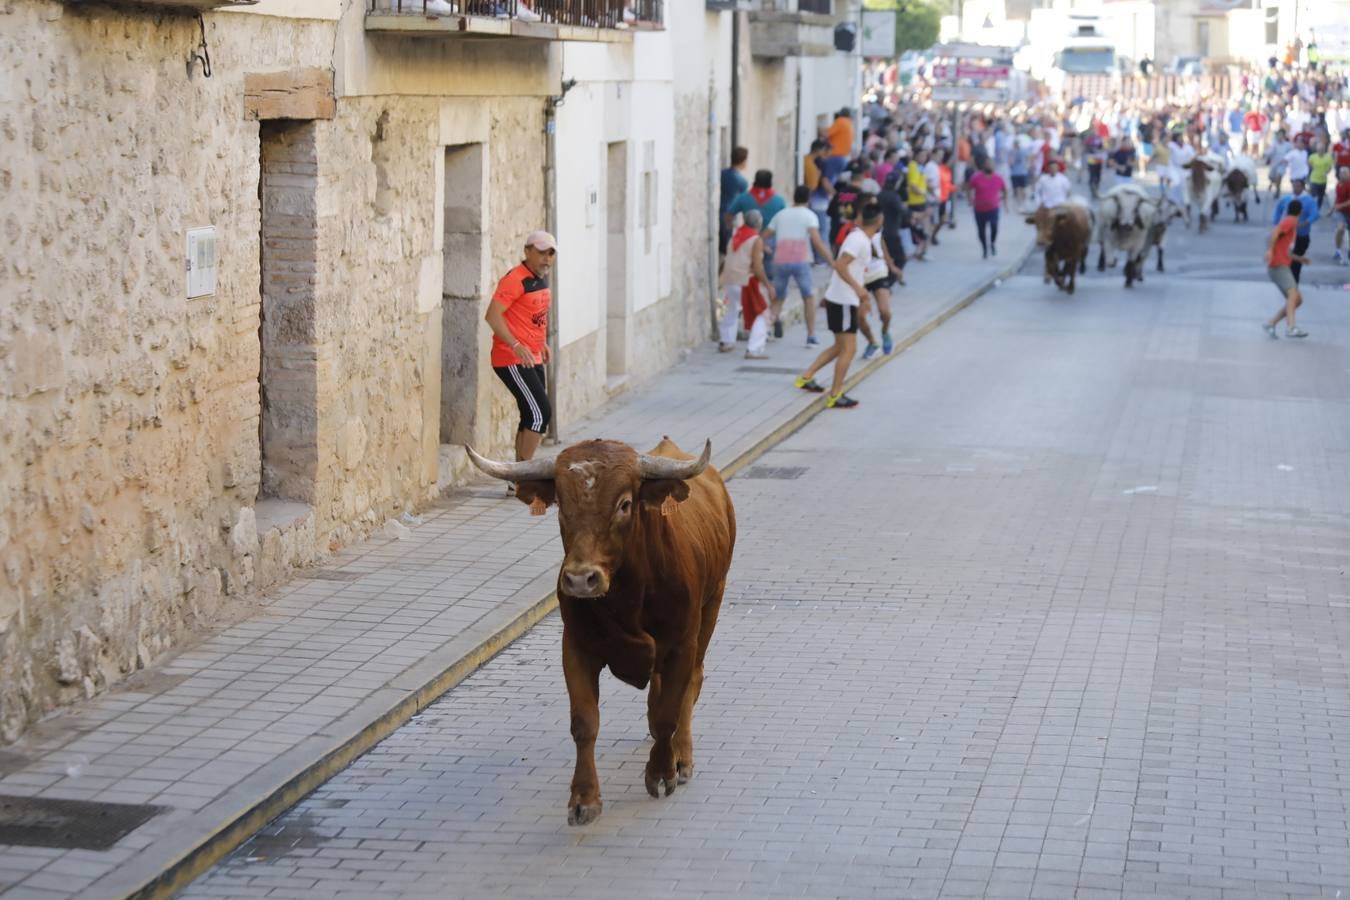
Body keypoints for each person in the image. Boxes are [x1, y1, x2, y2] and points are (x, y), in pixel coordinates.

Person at [793, 204, 884, 410]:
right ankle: (835, 394)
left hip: (844, 298)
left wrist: (862, 296)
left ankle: (806, 377)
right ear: (878, 221)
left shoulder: (861, 239)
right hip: (843, 299)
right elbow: (840, 265)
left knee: (839, 347)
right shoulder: (859, 240)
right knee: (849, 349)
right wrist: (859, 290)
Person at [485, 231, 556, 468]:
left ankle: (516, 478)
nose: (546, 259)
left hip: (532, 356)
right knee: (541, 413)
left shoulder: (539, 278)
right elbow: (492, 316)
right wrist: (516, 345)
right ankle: (524, 477)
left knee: (529, 414)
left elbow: (530, 317)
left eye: (551, 253)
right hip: (511, 358)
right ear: (527, 251)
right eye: (541, 253)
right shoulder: (515, 279)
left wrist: (541, 343)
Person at [764, 186, 834, 347]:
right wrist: (831, 261)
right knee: (808, 297)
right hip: (800, 260)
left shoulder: (780, 215)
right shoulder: (810, 216)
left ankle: (766, 330)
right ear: (808, 199)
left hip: (780, 260)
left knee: (778, 298)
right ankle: (810, 335)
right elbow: (816, 242)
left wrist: (765, 248)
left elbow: (764, 236)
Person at [717, 209, 775, 358]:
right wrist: (768, 285)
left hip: (730, 278)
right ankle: (754, 349)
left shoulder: (736, 235)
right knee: (762, 313)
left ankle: (726, 340)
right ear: (759, 223)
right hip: (745, 280)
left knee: (733, 307)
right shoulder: (756, 239)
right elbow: (757, 267)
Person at [1263, 198, 1311, 339]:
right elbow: (1275, 232)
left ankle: (1271, 323)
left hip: (1282, 264)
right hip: (1278, 266)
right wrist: (1270, 251)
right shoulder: (1291, 221)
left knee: (1297, 299)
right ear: (1300, 211)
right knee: (1292, 295)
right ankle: (1291, 327)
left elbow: (1287, 252)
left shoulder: (1292, 225)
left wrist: (1301, 259)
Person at [1272, 179, 1318, 282]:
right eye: (1294, 186)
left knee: (1296, 262)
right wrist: (1276, 224)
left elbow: (1315, 214)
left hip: (1301, 236)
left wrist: (1305, 222)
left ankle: (1294, 281)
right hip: (1287, 236)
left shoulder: (1308, 200)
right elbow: (1278, 210)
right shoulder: (1287, 199)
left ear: (1303, 187)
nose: (1295, 188)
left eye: (1298, 186)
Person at [966, 156, 1007, 259]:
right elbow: (969, 188)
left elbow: (1005, 190)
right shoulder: (976, 177)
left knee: (994, 226)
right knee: (981, 231)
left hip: (993, 208)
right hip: (979, 208)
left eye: (991, 163)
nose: (989, 165)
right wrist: (970, 199)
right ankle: (984, 249)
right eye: (987, 163)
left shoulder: (998, 178)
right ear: (984, 165)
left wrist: (1005, 202)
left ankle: (992, 243)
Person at [719, 146, 749, 253]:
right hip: (729, 217)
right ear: (743, 161)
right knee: (727, 251)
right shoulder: (742, 182)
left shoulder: (721, 174)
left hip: (718, 214)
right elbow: (743, 203)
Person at [905, 150, 931, 260]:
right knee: (921, 228)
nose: (924, 157)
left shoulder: (920, 167)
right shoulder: (913, 166)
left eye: (925, 155)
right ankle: (920, 251)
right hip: (916, 202)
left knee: (923, 227)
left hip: (920, 201)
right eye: (921, 155)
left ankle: (922, 251)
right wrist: (924, 193)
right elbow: (913, 186)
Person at [823, 108, 855, 184]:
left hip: (835, 156)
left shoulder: (841, 121)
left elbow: (826, 134)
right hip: (843, 158)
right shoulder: (849, 123)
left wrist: (818, 129)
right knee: (832, 181)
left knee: (827, 181)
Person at [1308, 140, 1334, 211]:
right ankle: (1312, 208)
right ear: (1317, 149)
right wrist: (1312, 168)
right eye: (1319, 149)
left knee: (1321, 196)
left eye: (1322, 149)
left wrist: (1327, 172)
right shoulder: (1312, 157)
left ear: (1324, 150)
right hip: (1314, 179)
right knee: (1313, 195)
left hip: (1323, 180)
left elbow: (1330, 167)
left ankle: (1317, 208)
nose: (1320, 151)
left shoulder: (1328, 157)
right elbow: (1309, 163)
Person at [1334, 167, 1350, 266]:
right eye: (1341, 173)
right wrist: (1332, 209)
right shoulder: (1338, 185)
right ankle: (1338, 249)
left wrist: (1340, 205)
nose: (1343, 175)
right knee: (1340, 229)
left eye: (1345, 173)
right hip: (1340, 212)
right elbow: (1337, 198)